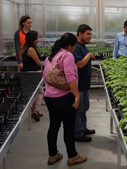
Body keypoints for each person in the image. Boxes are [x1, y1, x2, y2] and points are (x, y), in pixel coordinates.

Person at [43, 33, 87, 166]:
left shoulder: (50, 57)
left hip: (49, 97)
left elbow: (46, 76)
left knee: (54, 126)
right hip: (64, 98)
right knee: (68, 128)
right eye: (74, 46)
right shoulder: (67, 55)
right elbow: (70, 77)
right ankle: (72, 156)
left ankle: (52, 155)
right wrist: (77, 96)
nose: (74, 48)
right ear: (69, 46)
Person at [72, 24, 96, 142]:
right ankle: (77, 133)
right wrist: (89, 55)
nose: (90, 37)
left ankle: (83, 128)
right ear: (80, 34)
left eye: (90, 34)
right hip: (78, 85)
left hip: (85, 84)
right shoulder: (76, 47)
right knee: (78, 109)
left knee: (84, 108)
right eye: (88, 34)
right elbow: (79, 64)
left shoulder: (83, 46)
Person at [21, 31, 45, 121]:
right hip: (35, 73)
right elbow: (38, 62)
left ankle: (33, 112)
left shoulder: (24, 48)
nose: (38, 40)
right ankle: (36, 110)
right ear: (32, 40)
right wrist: (42, 65)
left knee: (34, 93)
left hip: (27, 72)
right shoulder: (31, 49)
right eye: (37, 38)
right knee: (40, 92)